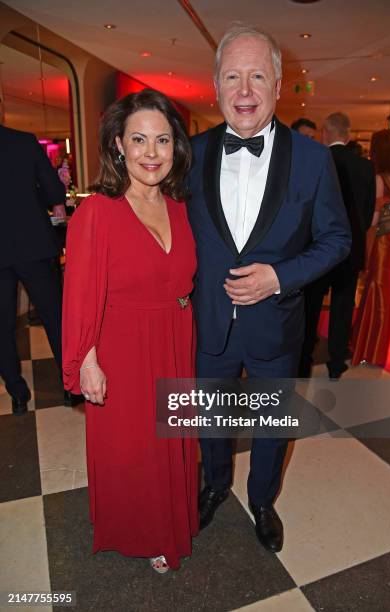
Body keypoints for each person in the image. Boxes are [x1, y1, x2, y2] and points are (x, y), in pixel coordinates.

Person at [187, 25, 351, 553]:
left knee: (272, 422)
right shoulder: (187, 155)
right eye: (232, 76)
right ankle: (214, 485)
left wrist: (279, 277)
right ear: (215, 85)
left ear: (279, 84)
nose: (244, 91)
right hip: (207, 320)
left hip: (277, 324)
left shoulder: (313, 159)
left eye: (257, 76)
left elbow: (338, 239)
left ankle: (262, 499)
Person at [62, 89, 198, 572]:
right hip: (123, 346)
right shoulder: (97, 211)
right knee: (136, 446)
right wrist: (86, 359)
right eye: (139, 139)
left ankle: (172, 520)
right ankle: (147, 532)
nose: (151, 153)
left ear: (175, 147)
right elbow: (80, 293)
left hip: (175, 338)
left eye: (162, 140)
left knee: (172, 438)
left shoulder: (181, 208)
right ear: (118, 144)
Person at [0, 96, 71, 415]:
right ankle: (70, 387)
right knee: (55, 317)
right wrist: (37, 196)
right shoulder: (23, 142)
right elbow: (55, 193)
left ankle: (17, 393)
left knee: (1, 326)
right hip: (32, 244)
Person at [299, 112, 376, 379]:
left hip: (318, 247)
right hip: (350, 248)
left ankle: (305, 354)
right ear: (348, 134)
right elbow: (366, 214)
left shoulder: (317, 160)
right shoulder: (365, 167)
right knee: (343, 306)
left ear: (326, 133)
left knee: (312, 304)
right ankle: (336, 362)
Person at [352, 129, 390, 366]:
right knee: (381, 291)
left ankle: (371, 348)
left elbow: (373, 220)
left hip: (382, 241)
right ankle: (368, 343)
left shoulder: (379, 179)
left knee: (376, 290)